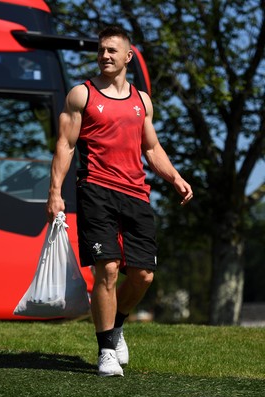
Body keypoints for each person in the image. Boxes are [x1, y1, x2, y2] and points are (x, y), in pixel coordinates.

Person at [46, 25, 193, 377]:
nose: (105, 56)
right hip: (95, 189)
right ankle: (106, 351)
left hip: (136, 193)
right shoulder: (82, 94)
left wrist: (175, 178)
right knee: (108, 269)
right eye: (101, 50)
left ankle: (117, 326)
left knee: (142, 276)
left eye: (113, 50)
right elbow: (65, 144)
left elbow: (152, 148)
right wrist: (54, 193)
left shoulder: (142, 101)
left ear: (128, 56)